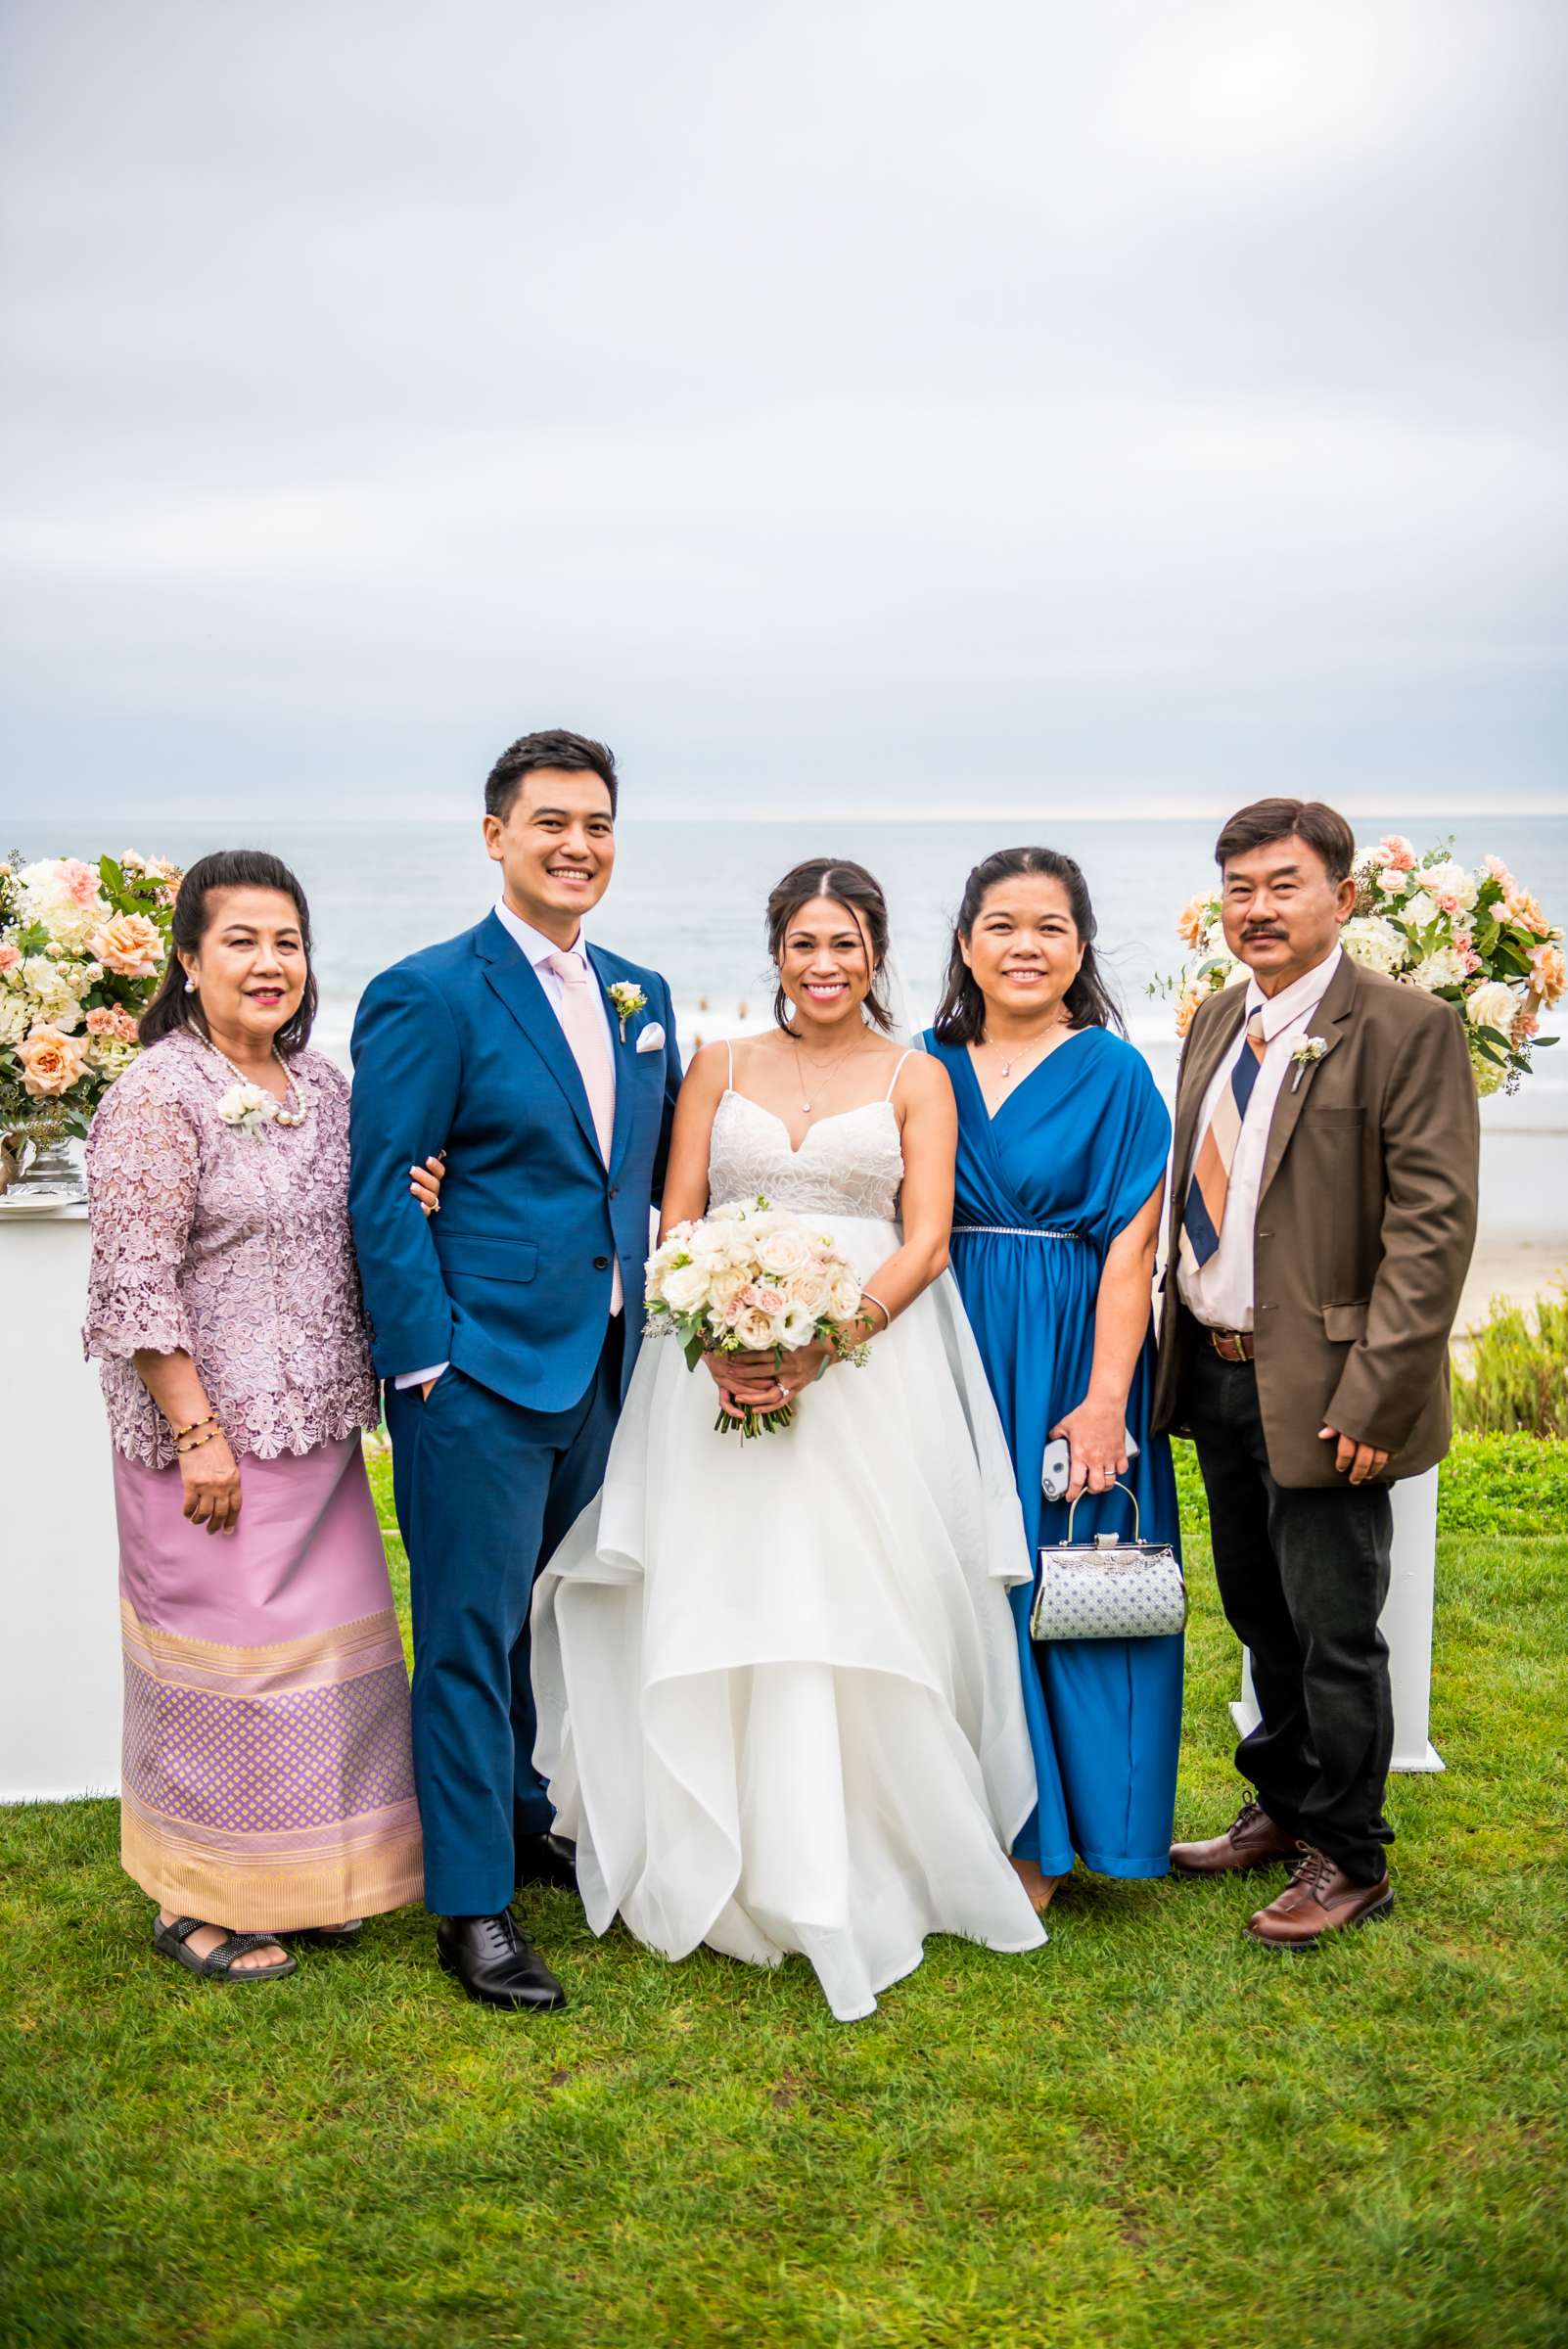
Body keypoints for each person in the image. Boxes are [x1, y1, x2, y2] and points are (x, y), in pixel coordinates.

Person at [530, 860, 1046, 2024]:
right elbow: (679, 1217)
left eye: (848, 945)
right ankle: (721, 1844)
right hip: (708, 1361)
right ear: (776, 952)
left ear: (877, 956)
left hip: (869, 1373)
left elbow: (925, 1241)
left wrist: (828, 1343)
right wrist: (712, 1325)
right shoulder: (717, 1065)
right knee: (722, 1581)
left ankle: (862, 1845)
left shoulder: (919, 1075)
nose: (825, 966)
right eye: (806, 943)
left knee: (857, 1591)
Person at [348, 728, 682, 2013]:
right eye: (550, 821)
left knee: (543, 1616)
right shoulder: (431, 990)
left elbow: (628, 1178)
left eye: (596, 823)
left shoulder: (639, 994)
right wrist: (425, 1360)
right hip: (476, 1377)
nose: (576, 844)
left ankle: (525, 1817)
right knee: (468, 1638)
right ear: (495, 836)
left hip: (597, 1362)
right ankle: (471, 1908)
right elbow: (383, 1188)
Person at [83, 851, 424, 1983]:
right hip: (208, 1445)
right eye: (241, 940)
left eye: (286, 941)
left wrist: (419, 1191)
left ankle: (303, 1882)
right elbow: (134, 1279)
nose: (269, 963)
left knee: (321, 1669)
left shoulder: (325, 1088)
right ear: (187, 959)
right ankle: (196, 1900)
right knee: (218, 1674)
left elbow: (360, 1213)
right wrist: (195, 1430)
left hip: (319, 1433)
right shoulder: (154, 1095)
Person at [1152, 798, 1479, 1946]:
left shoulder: (1406, 1025)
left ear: (1343, 897)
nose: (1258, 908)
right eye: (1239, 888)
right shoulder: (1212, 1022)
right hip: (1219, 1372)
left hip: (1336, 1388)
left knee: (1337, 1629)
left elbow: (1431, 1231)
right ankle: (1285, 1807)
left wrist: (1379, 1393)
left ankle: (1352, 1854)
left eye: (1283, 885)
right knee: (1260, 1611)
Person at [923, 848, 1182, 1911]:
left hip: (1072, 1339)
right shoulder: (922, 1062)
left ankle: (1056, 1840)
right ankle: (953, 1818)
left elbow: (1133, 1246)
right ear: (966, 943)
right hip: (940, 1340)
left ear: (1080, 946)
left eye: (1050, 927)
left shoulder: (1114, 1070)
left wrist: (1106, 1396)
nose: (1025, 946)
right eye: (1002, 925)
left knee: (1061, 1576)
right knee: (948, 1580)